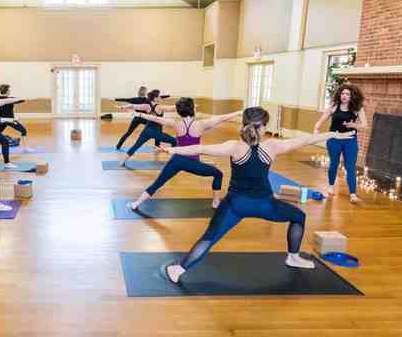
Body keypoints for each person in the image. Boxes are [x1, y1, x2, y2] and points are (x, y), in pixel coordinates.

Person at [158, 106, 356, 284]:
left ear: (244, 124)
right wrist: (334, 134)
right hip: (265, 204)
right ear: (263, 127)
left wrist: (173, 149)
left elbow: (201, 148)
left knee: (209, 238)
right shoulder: (272, 146)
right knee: (299, 216)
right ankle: (293, 257)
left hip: (235, 205)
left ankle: (178, 269)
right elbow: (305, 139)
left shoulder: (234, 146)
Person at [127, 98, 241, 209]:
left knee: (157, 184)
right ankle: (215, 202)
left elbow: (155, 118)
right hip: (192, 163)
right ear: (192, 109)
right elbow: (222, 118)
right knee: (218, 174)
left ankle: (136, 203)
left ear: (178, 111)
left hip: (176, 160)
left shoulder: (175, 124)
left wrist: (139, 114)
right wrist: (239, 112)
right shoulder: (201, 124)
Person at [313, 83, 367, 203]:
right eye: (342, 93)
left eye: (347, 94)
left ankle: (353, 195)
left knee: (350, 167)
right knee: (334, 164)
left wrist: (354, 125)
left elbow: (365, 126)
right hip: (334, 140)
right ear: (339, 94)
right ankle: (331, 187)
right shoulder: (334, 106)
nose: (344, 96)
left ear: (352, 96)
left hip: (350, 141)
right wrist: (316, 130)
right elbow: (320, 121)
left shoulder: (357, 108)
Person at [116, 89, 177, 166]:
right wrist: (185, 105)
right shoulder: (160, 107)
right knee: (174, 141)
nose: (160, 97)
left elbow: (132, 105)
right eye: (159, 96)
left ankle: (122, 161)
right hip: (156, 132)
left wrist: (122, 107)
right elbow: (172, 108)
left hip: (146, 131)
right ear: (155, 98)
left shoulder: (146, 106)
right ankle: (174, 160)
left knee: (136, 145)